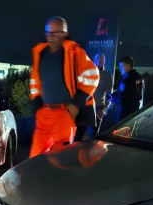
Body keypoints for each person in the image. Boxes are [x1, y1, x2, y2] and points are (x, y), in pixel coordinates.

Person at [29, 16, 99, 158]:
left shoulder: (74, 52)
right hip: (45, 114)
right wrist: (35, 103)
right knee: (34, 158)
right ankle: (35, 180)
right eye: (48, 32)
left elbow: (92, 76)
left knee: (62, 160)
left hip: (64, 114)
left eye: (56, 33)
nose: (51, 37)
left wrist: (76, 105)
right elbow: (35, 81)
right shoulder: (40, 53)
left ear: (64, 33)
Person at [78, 52, 113, 140]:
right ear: (94, 60)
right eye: (98, 59)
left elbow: (110, 96)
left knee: (93, 137)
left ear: (104, 62)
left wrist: (104, 110)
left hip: (97, 109)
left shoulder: (107, 75)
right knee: (78, 136)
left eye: (102, 60)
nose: (99, 61)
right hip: (84, 108)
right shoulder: (86, 73)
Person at [111, 56, 144, 122]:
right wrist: (112, 96)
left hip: (129, 114)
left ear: (128, 66)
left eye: (122, 67)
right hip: (125, 113)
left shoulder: (136, 78)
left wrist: (117, 99)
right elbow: (121, 92)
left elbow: (137, 97)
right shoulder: (124, 78)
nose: (120, 69)